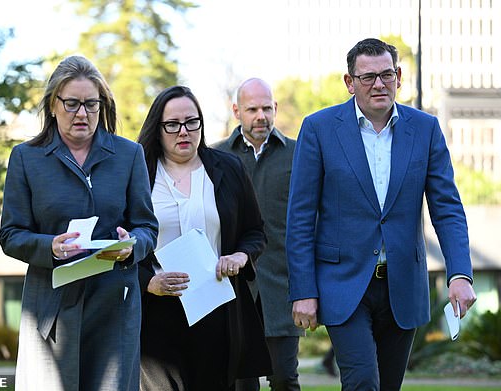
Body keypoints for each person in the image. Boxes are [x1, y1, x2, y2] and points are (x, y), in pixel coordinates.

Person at [286, 38, 477, 391]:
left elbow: (447, 209)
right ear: (349, 82)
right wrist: (303, 290)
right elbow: (300, 217)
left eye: (387, 74)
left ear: (399, 76)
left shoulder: (425, 129)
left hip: (403, 283)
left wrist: (460, 273)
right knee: (362, 383)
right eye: (368, 77)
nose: (378, 84)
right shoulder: (319, 129)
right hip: (343, 284)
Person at [0, 55, 158, 390]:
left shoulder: (129, 155)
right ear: (53, 105)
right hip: (51, 308)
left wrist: (132, 245)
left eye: (91, 104)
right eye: (71, 103)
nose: (82, 113)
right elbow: (10, 234)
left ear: (103, 106)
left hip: (114, 304)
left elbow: (147, 228)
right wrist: (50, 246)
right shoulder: (26, 158)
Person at [136, 85, 272, 391]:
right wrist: (147, 281)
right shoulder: (139, 173)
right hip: (156, 313)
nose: (183, 131)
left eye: (192, 121)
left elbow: (255, 232)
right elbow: (123, 242)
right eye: (172, 124)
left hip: (216, 310)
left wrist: (241, 256)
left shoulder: (228, 168)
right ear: (157, 128)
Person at [214, 78, 302, 391]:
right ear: (237, 111)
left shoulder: (298, 154)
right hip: (233, 286)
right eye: (252, 109)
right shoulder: (215, 157)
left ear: (275, 108)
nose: (260, 115)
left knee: (284, 378)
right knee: (240, 382)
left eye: (266, 108)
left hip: (283, 286)